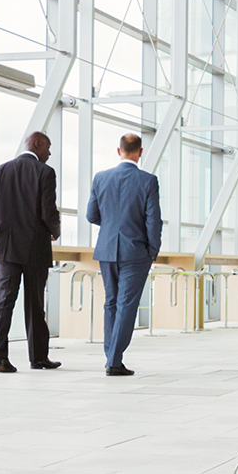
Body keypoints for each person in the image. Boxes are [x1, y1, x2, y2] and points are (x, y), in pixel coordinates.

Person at [0, 131, 61, 373]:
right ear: (36, 144)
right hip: (35, 248)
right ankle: (38, 357)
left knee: (4, 302)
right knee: (35, 303)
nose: (49, 153)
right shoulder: (44, 172)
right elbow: (48, 211)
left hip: (6, 249)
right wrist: (55, 230)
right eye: (47, 147)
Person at [86, 133, 161, 376]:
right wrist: (152, 250)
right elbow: (153, 221)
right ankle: (114, 360)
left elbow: (91, 215)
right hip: (136, 252)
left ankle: (111, 356)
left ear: (119, 151)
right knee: (126, 305)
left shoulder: (100, 178)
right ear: (140, 152)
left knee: (111, 302)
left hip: (107, 250)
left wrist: (111, 227)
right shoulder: (148, 181)